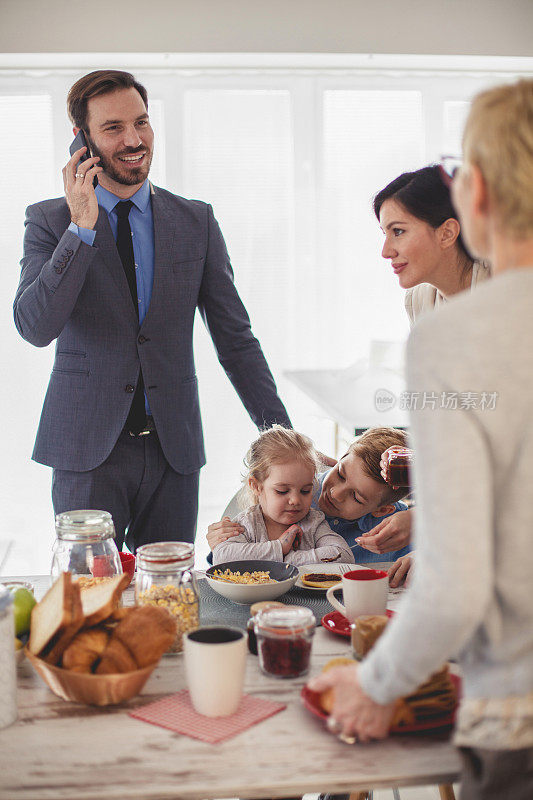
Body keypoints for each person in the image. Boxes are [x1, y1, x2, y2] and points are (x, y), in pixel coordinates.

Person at [308, 78, 533, 800]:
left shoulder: (457, 337)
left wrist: (374, 685)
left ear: (475, 199)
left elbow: (454, 585)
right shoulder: (434, 316)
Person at [13, 70, 291, 552]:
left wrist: (283, 435)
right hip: (87, 452)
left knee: (167, 602)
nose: (134, 140)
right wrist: (81, 227)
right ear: (82, 140)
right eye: (114, 128)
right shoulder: (49, 220)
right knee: (90, 600)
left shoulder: (195, 220)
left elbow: (235, 338)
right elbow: (36, 326)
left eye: (141, 123)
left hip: (173, 452)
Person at [357, 166, 491, 567]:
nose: (386, 251)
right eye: (384, 234)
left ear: (447, 232)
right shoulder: (421, 300)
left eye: (398, 232)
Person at [209, 426, 412, 565]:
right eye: (340, 474)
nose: (335, 493)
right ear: (341, 457)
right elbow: (222, 561)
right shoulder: (290, 488)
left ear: (382, 510)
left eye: (357, 498)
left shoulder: (399, 525)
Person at [212, 426, 354, 566]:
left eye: (305, 491)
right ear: (256, 486)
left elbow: (343, 555)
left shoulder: (313, 522)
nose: (295, 500)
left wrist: (285, 560)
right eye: (282, 491)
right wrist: (279, 547)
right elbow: (221, 557)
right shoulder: (247, 524)